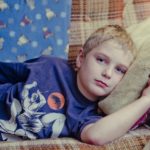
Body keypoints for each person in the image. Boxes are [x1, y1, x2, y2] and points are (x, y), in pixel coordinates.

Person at [0, 25, 149, 145]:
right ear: (80, 58)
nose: (108, 73)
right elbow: (4, 73)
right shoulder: (50, 66)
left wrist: (145, 100)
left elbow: (95, 136)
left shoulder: (87, 114)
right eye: (101, 60)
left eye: (119, 70)